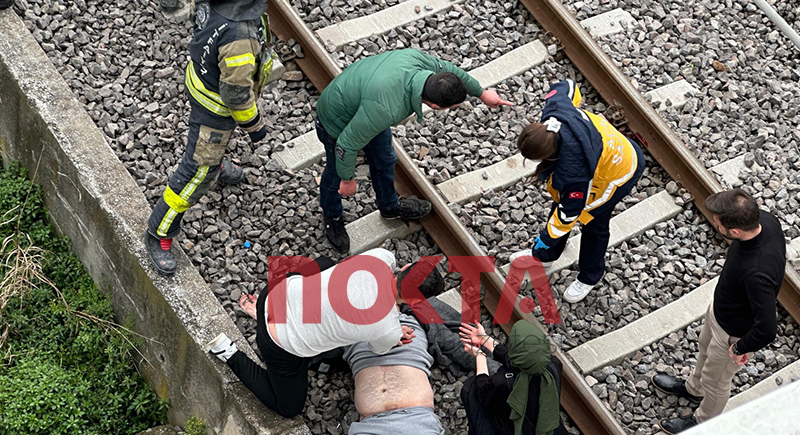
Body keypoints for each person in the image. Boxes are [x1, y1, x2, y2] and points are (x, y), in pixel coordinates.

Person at [315, 48, 513, 253]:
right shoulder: (388, 108)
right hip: (335, 120)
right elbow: (346, 144)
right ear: (435, 106)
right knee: (335, 173)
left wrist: (482, 93)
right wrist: (347, 179)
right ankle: (333, 216)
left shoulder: (422, 65)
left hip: (366, 106)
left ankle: (389, 207)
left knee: (385, 159)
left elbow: (454, 71)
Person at [206, 248, 443, 418]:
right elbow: (378, 348)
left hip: (273, 293)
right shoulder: (387, 328)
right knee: (289, 408)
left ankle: (260, 310)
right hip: (276, 343)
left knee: (326, 263)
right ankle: (229, 353)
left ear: (405, 267)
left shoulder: (381, 256)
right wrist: (392, 326)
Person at [145, 0, 280, 276]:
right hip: (215, 114)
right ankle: (159, 230)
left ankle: (216, 164)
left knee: (210, 156)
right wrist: (255, 127)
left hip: (200, 82)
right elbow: (236, 97)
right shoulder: (239, 38)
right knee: (197, 172)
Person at [652, 189, 785, 435]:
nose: (715, 223)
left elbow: (767, 329)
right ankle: (693, 389)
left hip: (731, 334)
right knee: (703, 352)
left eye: (717, 222)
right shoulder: (765, 220)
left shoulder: (758, 273)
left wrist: (738, 348)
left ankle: (703, 422)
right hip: (720, 311)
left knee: (717, 382)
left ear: (734, 232)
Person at [510, 79, 644, 303]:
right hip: (606, 149)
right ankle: (546, 256)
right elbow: (568, 86)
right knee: (561, 203)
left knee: (593, 222)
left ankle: (590, 275)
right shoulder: (554, 112)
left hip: (620, 170)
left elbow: (569, 212)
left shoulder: (573, 172)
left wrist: (546, 237)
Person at [459, 320, 567, 435]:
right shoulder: (553, 365)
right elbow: (523, 361)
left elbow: (482, 389)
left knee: (470, 387)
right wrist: (485, 339)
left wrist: (480, 356)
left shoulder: (503, 382)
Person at [342, 312, 444, 435]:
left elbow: (453, 342)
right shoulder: (348, 324)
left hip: (416, 421)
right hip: (370, 429)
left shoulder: (414, 317)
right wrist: (380, 333)